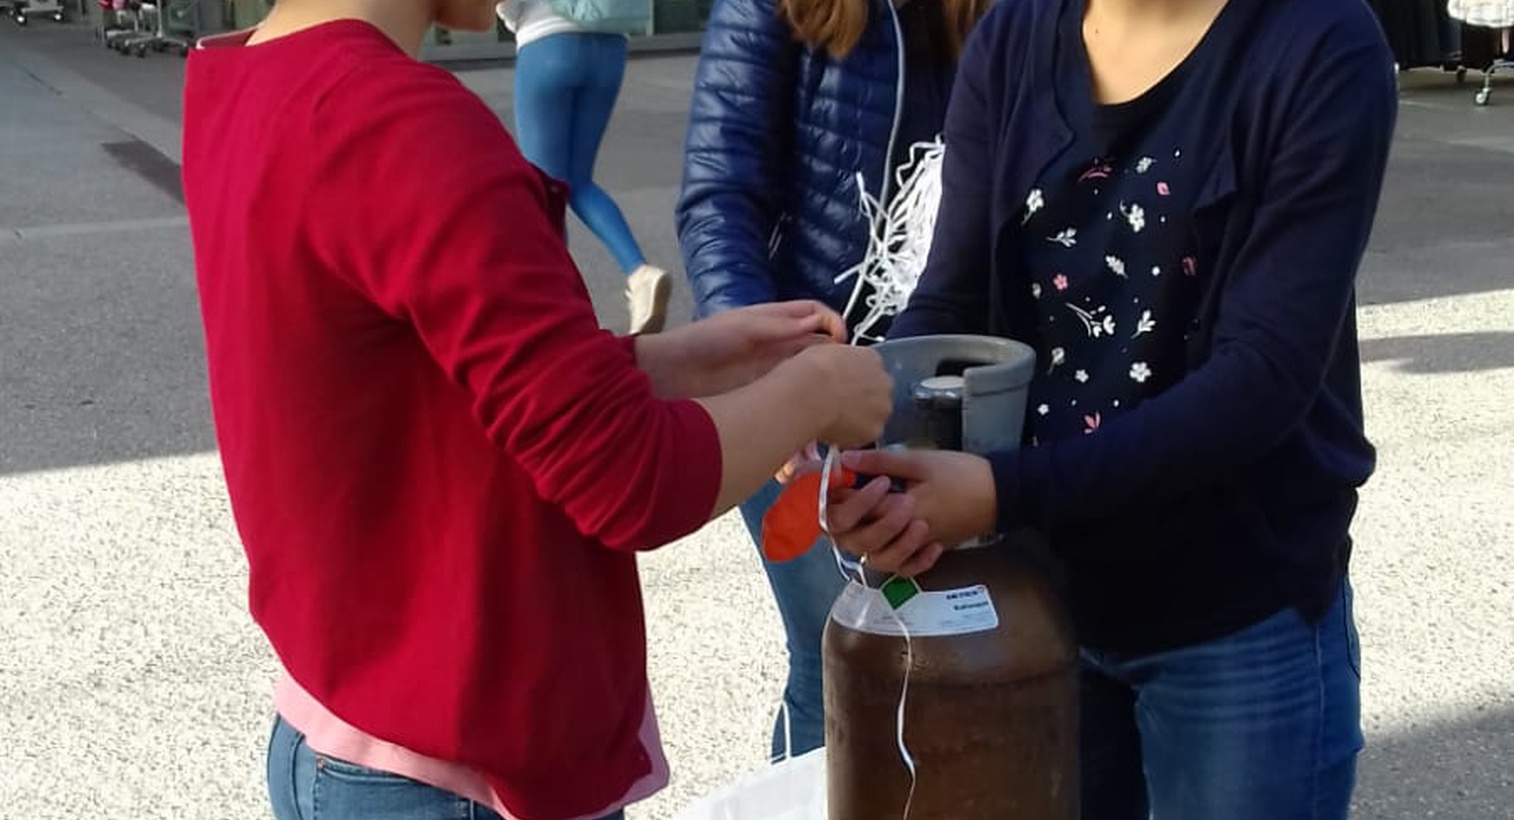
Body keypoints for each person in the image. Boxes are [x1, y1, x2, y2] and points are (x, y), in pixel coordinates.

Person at [179, 2, 894, 818]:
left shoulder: (249, 75)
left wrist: (696, 359)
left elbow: (448, 391)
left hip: (337, 723)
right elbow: (631, 478)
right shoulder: (400, 122)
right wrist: (823, 390)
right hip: (460, 770)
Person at [824, 0, 1396, 817]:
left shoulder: (1319, 42)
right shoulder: (1013, 36)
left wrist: (997, 491)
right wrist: (871, 418)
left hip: (1236, 604)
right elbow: (952, 300)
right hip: (1039, 595)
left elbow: (1264, 376)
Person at [675, 0, 991, 759]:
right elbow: (720, 194)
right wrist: (778, 382)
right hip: (807, 394)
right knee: (840, 664)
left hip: (969, 390)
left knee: (978, 662)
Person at [497, 0, 672, 334]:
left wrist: (508, 15)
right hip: (609, 46)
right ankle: (639, 272)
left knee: (544, 189)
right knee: (578, 181)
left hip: (547, 43)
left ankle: (555, 313)